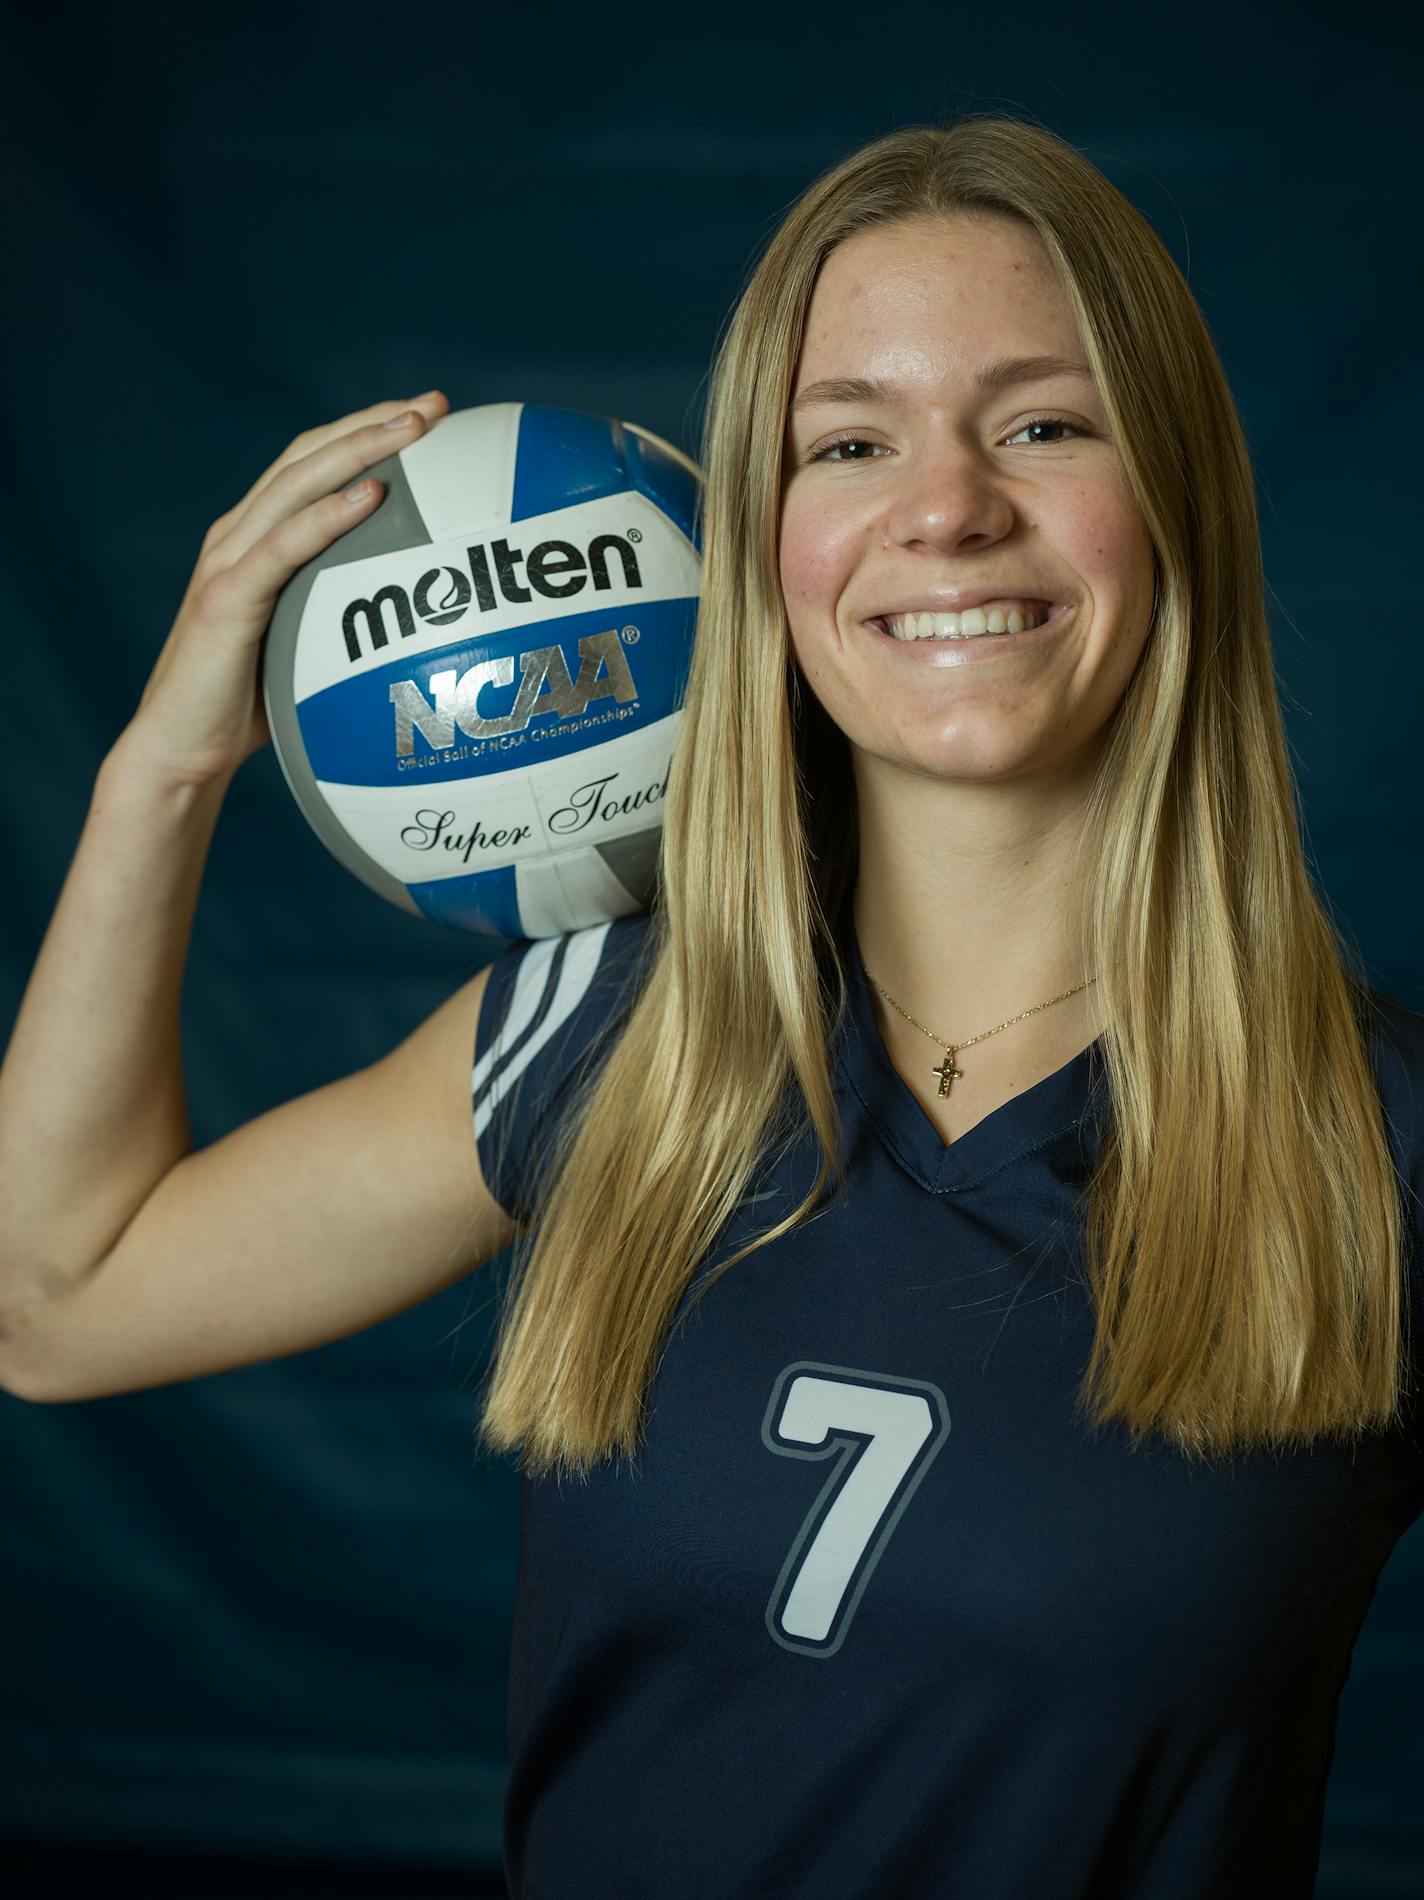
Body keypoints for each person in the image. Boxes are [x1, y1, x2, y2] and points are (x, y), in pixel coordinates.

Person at [1, 112, 1421, 1900]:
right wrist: (168, 766)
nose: (945, 507)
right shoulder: (615, 1036)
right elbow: (51, 1297)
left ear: (1178, 498)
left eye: (1045, 424)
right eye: (851, 440)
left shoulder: (1374, 1151)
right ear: (757, 538)